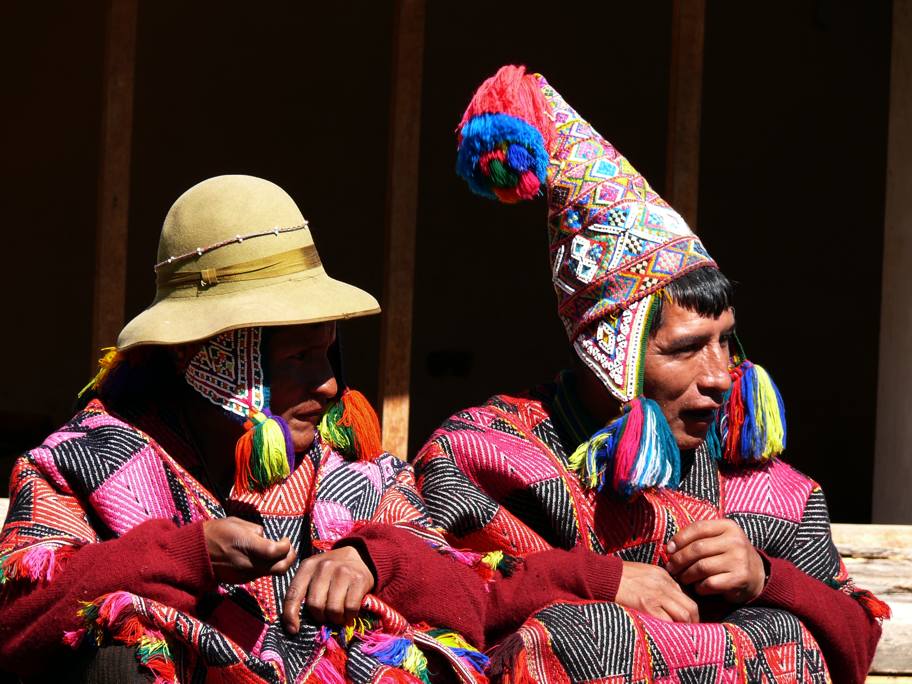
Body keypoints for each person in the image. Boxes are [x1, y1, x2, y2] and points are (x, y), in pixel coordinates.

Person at [0, 176, 632, 684]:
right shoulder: (78, 467)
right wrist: (187, 557)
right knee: (117, 650)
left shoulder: (343, 468)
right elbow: (16, 624)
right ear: (217, 359)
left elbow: (475, 596)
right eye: (300, 359)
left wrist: (371, 560)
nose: (330, 385)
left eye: (327, 354)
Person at [413, 66, 889, 683]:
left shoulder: (776, 494)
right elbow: (431, 603)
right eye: (687, 349)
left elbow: (854, 639)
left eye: (728, 343)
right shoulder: (484, 456)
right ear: (611, 355)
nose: (721, 377)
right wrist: (596, 583)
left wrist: (769, 578)